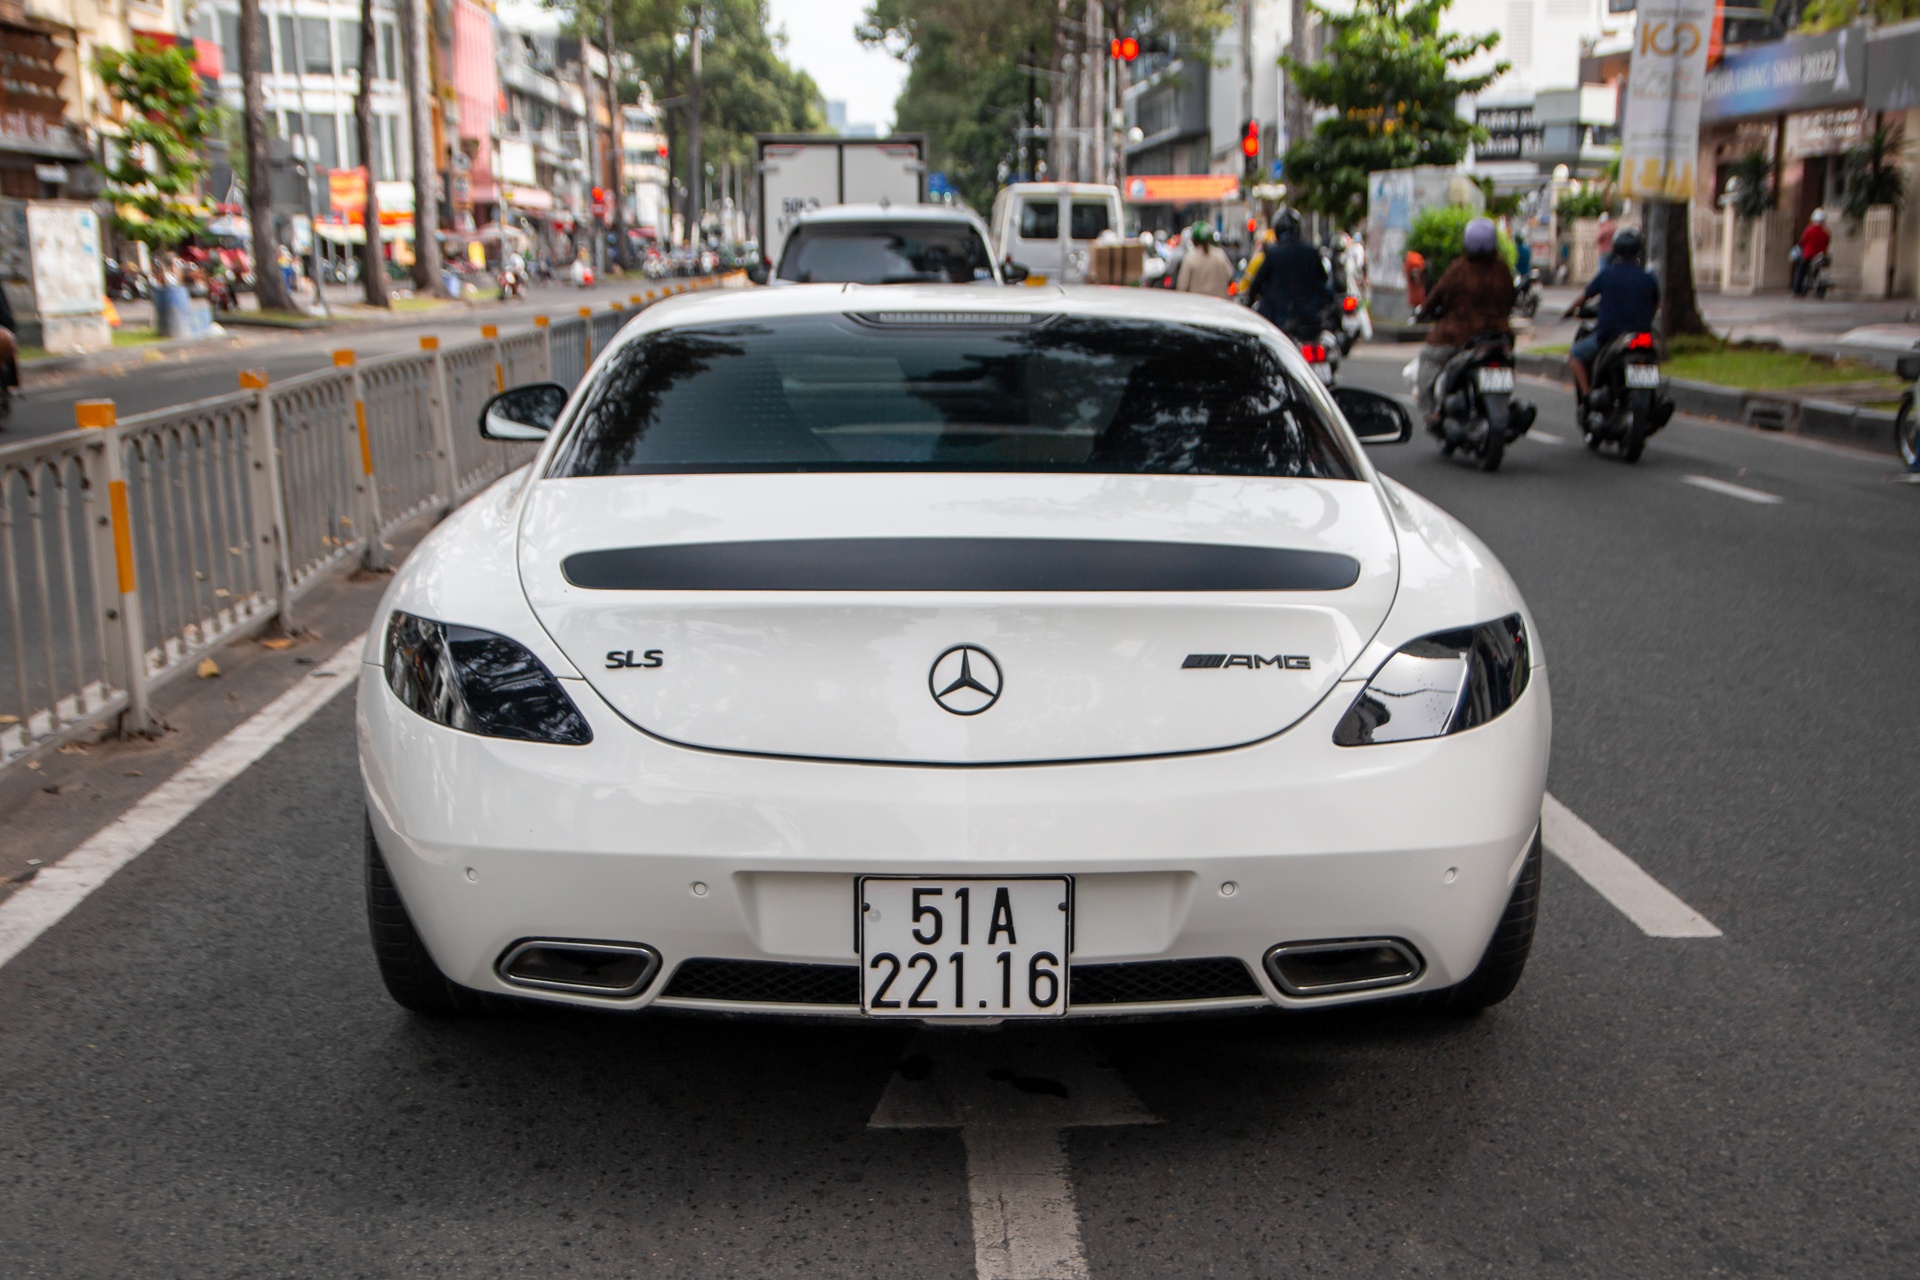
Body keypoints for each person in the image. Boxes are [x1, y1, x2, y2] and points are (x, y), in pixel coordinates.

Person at [1412, 217, 1514, 422]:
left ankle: (1432, 410)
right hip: (1500, 336)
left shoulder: (1459, 269)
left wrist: (1423, 311)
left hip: (1458, 337)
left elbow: (1434, 297)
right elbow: (1511, 299)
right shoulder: (1502, 270)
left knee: (1428, 359)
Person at [1566, 226, 1659, 400]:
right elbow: (1655, 305)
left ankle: (1587, 396)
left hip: (1611, 337)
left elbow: (1584, 296)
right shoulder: (1648, 278)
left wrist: (1569, 311)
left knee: (1575, 355)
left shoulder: (1607, 275)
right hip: (1643, 336)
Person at [1242, 209, 1329, 332]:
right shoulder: (1312, 252)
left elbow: (1257, 284)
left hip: (1277, 323)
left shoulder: (1273, 253)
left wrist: (1248, 303)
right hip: (1309, 323)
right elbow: (1323, 283)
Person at [1173, 221, 1233, 297]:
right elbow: (1229, 277)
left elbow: (1182, 286)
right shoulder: (1220, 255)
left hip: (1197, 304)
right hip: (1219, 303)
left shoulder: (1190, 258)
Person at [1792, 208, 1830, 297]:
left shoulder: (1809, 230)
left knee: (1801, 271)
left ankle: (1797, 290)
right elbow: (1827, 243)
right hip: (1821, 256)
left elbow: (1803, 241)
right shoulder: (1825, 232)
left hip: (1808, 255)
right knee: (1819, 270)